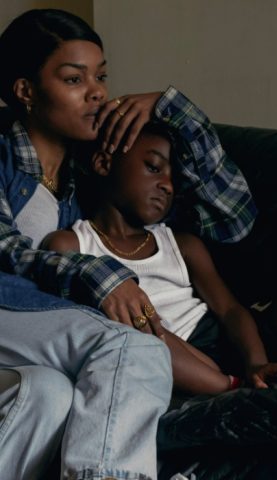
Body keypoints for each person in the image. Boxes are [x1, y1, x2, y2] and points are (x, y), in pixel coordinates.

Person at [0, 8, 256, 480]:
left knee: (47, 394)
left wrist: (170, 105)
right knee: (133, 350)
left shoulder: (95, 173)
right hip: (8, 312)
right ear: (26, 91)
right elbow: (6, 250)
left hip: (35, 342)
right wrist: (94, 275)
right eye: (74, 79)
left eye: (101, 77)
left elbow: (232, 220)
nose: (97, 92)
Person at [44, 121, 277, 396]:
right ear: (104, 164)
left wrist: (256, 363)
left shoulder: (180, 243)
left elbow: (229, 310)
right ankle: (235, 388)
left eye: (174, 179)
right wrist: (229, 380)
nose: (167, 186)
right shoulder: (71, 244)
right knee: (130, 326)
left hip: (246, 341)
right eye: (153, 167)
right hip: (175, 356)